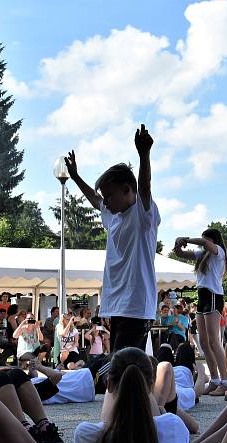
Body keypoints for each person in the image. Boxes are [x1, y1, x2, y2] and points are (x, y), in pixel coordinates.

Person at [64, 124, 159, 352]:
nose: (105, 201)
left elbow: (144, 187)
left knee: (122, 364)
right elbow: (95, 200)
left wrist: (144, 155)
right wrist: (75, 177)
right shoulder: (113, 215)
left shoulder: (142, 213)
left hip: (135, 305)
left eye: (110, 195)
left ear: (128, 190)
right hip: (116, 304)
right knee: (123, 362)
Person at [172, 228, 227, 395]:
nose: (203, 243)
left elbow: (205, 243)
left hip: (213, 295)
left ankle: (225, 381)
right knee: (203, 342)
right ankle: (214, 379)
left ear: (213, 240)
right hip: (202, 296)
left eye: (206, 240)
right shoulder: (202, 254)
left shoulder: (219, 252)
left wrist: (186, 238)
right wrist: (178, 245)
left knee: (213, 341)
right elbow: (181, 255)